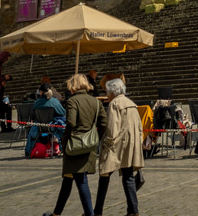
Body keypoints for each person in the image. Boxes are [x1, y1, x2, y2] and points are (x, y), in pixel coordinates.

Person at [45, 74, 99, 216]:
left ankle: (90, 214)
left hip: (75, 144)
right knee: (68, 178)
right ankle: (57, 213)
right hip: (90, 143)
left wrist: (65, 139)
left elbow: (71, 123)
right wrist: (95, 137)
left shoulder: (72, 101)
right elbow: (103, 123)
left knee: (81, 180)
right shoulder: (95, 101)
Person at [95, 78, 143, 216]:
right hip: (130, 145)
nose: (106, 93)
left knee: (104, 175)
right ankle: (133, 210)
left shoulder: (114, 103)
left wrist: (106, 143)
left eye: (107, 91)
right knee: (128, 177)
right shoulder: (131, 103)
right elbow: (139, 126)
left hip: (115, 145)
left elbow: (111, 127)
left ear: (112, 91)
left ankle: (97, 211)